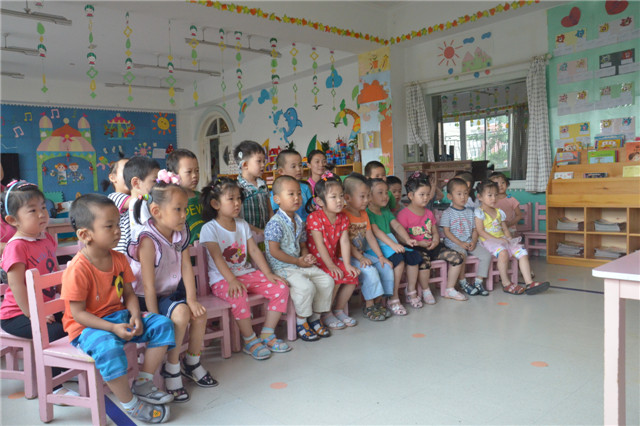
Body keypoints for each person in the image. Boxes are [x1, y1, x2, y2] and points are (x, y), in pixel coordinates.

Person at [62, 194, 175, 423]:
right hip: (87, 327)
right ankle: (130, 404)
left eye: (117, 224)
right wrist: (112, 328)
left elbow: (129, 294)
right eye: (109, 226)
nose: (117, 231)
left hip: (119, 317)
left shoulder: (119, 258)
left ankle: (143, 382)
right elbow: (78, 314)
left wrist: (135, 315)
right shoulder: (78, 269)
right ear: (85, 235)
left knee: (163, 324)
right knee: (108, 349)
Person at [128, 170, 215, 403]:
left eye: (185, 209)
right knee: (182, 313)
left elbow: (186, 266)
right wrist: (155, 318)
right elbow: (147, 285)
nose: (184, 215)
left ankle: (192, 362)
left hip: (170, 293)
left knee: (199, 313)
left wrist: (192, 298)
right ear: (156, 211)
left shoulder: (180, 232)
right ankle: (172, 367)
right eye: (178, 209)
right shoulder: (148, 239)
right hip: (145, 299)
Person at [199, 178, 291, 360]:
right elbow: (217, 258)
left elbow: (254, 251)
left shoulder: (242, 224)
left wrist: (268, 274)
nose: (237, 203)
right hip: (222, 279)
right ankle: (250, 340)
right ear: (216, 204)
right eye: (231, 199)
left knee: (281, 288)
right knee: (238, 294)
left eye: (239, 198)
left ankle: (267, 334)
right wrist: (232, 280)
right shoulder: (209, 228)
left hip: (246, 274)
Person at [0, 180, 76, 397]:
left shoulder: (46, 238)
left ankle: (66, 366)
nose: (42, 214)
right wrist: (34, 314)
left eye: (43, 207)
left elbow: (54, 272)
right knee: (55, 331)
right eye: (32, 210)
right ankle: (54, 386)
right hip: (17, 314)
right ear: (13, 220)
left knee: (76, 318)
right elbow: (16, 286)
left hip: (45, 307)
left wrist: (68, 298)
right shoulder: (17, 246)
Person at [265, 175, 334, 340]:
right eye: (291, 194)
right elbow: (274, 251)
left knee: (326, 280)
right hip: (282, 268)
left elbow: (303, 246)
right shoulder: (275, 223)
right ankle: (301, 322)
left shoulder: (299, 220)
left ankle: (315, 318)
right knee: (306, 287)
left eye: (299, 194)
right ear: (277, 199)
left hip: (298, 264)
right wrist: (297, 261)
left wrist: (306, 257)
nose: (296, 198)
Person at [397, 172, 467, 301]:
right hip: (415, 248)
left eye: (428, 194)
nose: (426, 198)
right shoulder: (403, 214)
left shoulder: (428, 213)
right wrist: (418, 243)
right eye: (422, 194)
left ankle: (450, 289)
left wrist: (435, 240)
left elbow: (434, 231)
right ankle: (426, 290)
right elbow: (400, 237)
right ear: (411, 195)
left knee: (457, 258)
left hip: (433, 246)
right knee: (424, 263)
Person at [474, 180, 550, 295]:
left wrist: (509, 239)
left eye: (496, 195)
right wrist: (498, 240)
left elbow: (505, 229)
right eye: (489, 195)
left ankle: (529, 282)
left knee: (522, 252)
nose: (494, 198)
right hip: (489, 242)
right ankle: (506, 283)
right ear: (480, 197)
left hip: (502, 240)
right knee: (503, 253)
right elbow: (480, 231)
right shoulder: (479, 212)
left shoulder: (499, 212)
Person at [305, 172, 360, 329]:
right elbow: (319, 244)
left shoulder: (342, 218)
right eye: (333, 197)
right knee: (335, 276)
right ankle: (326, 313)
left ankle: (338, 310)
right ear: (319, 201)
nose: (339, 200)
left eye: (341, 196)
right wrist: (330, 266)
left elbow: (344, 241)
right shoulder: (314, 218)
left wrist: (347, 264)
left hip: (333, 260)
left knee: (352, 275)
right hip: (317, 263)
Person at [367, 178, 425, 309]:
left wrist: (407, 239)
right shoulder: (367, 213)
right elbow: (376, 232)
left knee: (414, 257)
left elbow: (397, 226)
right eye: (380, 193)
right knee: (399, 261)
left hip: (391, 245)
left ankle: (411, 291)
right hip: (378, 247)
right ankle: (393, 296)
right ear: (369, 196)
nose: (385, 196)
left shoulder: (386, 211)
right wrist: (393, 245)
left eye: (386, 192)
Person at [343, 174, 392, 321]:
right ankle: (369, 306)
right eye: (362, 197)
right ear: (348, 197)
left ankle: (378, 302)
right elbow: (346, 242)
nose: (367, 200)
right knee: (370, 272)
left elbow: (370, 236)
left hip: (362, 255)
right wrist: (360, 258)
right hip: (348, 257)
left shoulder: (364, 214)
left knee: (386, 266)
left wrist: (380, 256)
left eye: (368, 196)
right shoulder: (343, 215)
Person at [440, 178, 491, 296]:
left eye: (465, 193)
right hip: (454, 244)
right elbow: (447, 232)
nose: (463, 197)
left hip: (469, 242)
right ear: (450, 196)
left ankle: (478, 282)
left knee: (486, 255)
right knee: (461, 255)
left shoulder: (470, 212)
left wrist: (473, 241)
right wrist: (460, 243)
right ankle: (463, 282)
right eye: (459, 194)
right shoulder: (447, 213)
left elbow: (474, 230)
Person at [118, 156, 160, 253]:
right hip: (142, 253)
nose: (158, 185)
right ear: (136, 183)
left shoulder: (144, 202)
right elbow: (150, 230)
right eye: (155, 181)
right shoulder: (140, 203)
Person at [234, 140, 272, 236]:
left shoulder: (263, 184)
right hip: (247, 235)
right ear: (245, 165)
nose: (263, 165)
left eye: (264, 161)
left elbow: (270, 210)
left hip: (266, 233)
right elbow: (236, 217)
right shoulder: (237, 187)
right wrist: (257, 231)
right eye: (259, 161)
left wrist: (272, 227)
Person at [167, 149, 204, 245]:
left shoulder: (202, 197)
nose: (194, 175)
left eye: (197, 171)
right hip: (184, 250)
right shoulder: (170, 202)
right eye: (189, 172)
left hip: (205, 248)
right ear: (174, 175)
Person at [269, 149, 313, 221]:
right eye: (293, 166)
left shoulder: (305, 187)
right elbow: (274, 213)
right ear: (281, 171)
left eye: (300, 165)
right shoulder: (277, 190)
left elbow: (311, 208)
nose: (298, 169)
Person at [103, 157, 131, 253]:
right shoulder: (114, 197)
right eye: (126, 172)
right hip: (122, 252)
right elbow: (135, 201)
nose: (131, 176)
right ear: (112, 178)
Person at [489, 172, 524, 237]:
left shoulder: (512, 200)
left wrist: (509, 224)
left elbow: (519, 215)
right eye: (496, 183)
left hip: (509, 229)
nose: (500, 185)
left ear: (507, 184)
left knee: (508, 242)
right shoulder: (491, 200)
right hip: (494, 229)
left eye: (503, 182)